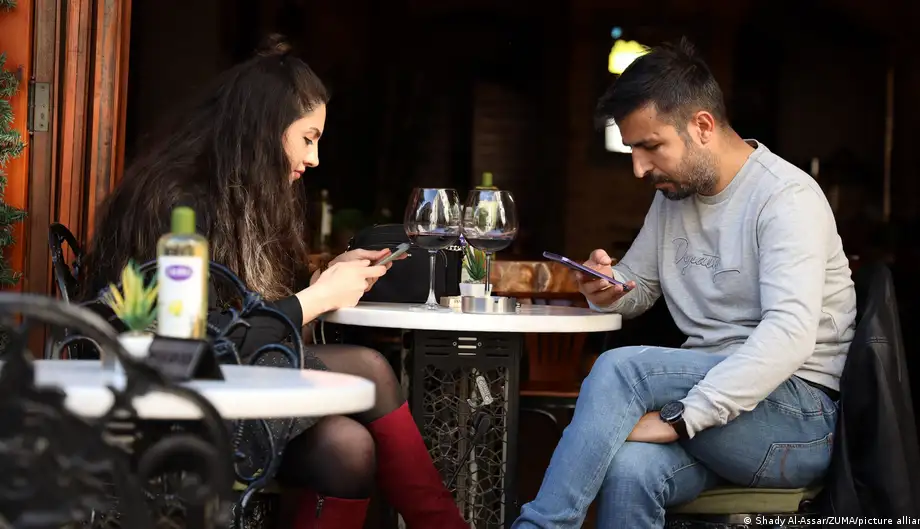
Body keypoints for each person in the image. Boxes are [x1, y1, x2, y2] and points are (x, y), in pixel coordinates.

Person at [80, 35, 468, 529]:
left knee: (348, 448)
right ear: (265, 127)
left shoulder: (240, 196)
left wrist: (323, 284)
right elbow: (190, 344)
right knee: (370, 366)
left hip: (227, 391)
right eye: (308, 137)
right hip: (168, 406)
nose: (314, 159)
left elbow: (252, 320)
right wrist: (315, 299)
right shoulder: (174, 201)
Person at [513, 38, 856, 529]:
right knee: (630, 470)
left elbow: (790, 335)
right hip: (720, 406)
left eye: (651, 147)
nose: (638, 168)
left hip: (798, 421)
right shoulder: (673, 196)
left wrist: (682, 418)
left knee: (621, 369)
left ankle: (543, 525)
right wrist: (608, 286)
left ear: (701, 126)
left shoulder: (787, 199)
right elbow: (641, 286)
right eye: (632, 149)